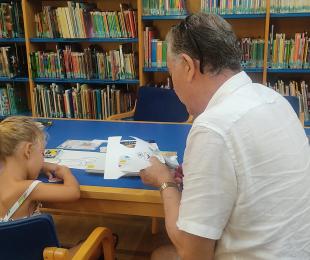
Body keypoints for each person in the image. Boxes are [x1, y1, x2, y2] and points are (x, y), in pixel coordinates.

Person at [140, 13, 310, 260]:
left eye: (170, 71)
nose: (172, 85)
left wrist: (165, 181)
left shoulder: (212, 128)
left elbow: (192, 253)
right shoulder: (273, 98)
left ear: (187, 67)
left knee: (159, 255)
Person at [0, 116, 80, 222]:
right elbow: (73, 192)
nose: (43, 160)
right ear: (28, 151)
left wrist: (41, 166)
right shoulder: (28, 189)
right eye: (42, 153)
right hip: (26, 239)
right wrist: (66, 172)